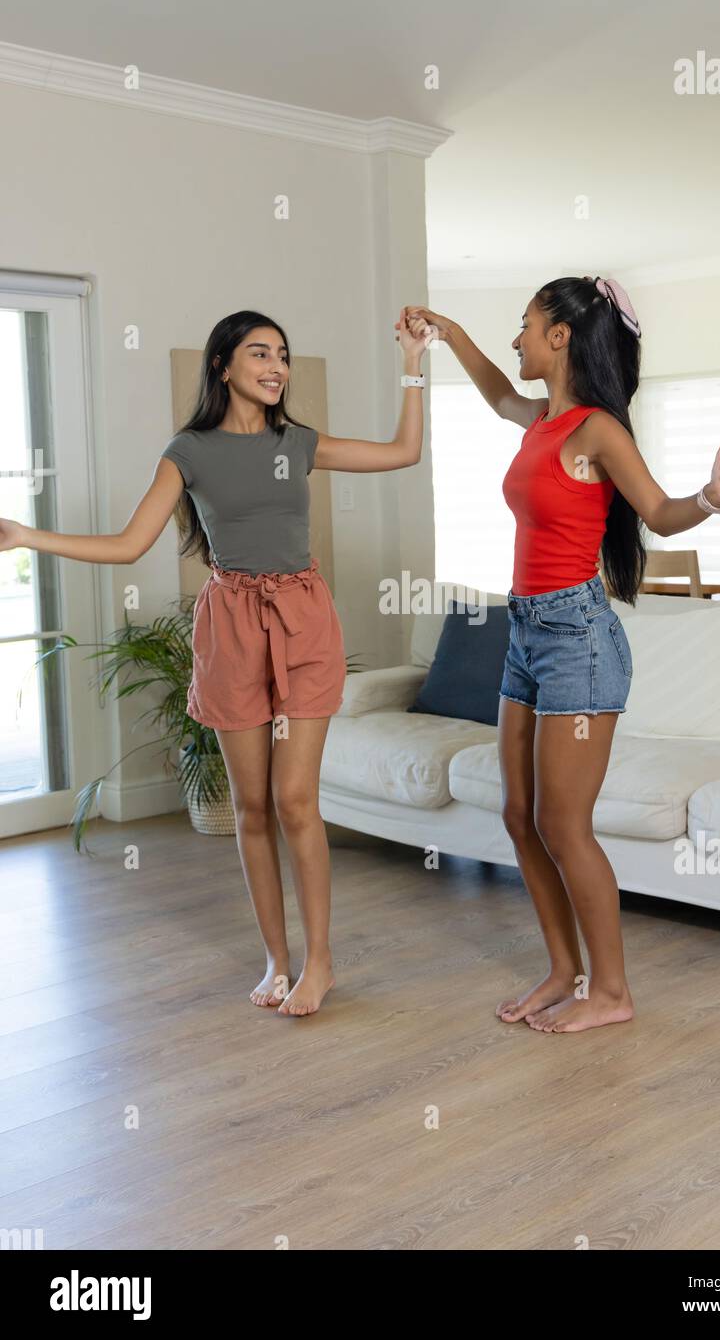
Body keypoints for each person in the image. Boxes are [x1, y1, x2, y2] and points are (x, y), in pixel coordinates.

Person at [0, 308, 430, 1017]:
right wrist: (24, 536)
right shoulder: (188, 451)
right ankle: (275, 958)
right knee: (252, 807)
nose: (276, 366)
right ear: (223, 366)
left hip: (301, 621)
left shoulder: (298, 441)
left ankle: (319, 962)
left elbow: (402, 452)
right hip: (231, 626)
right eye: (259, 352)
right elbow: (128, 543)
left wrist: (414, 362)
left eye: (283, 355)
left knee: (296, 801)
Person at [402, 278, 720, 1033]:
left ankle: (611, 991)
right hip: (524, 634)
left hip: (578, 642)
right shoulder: (540, 420)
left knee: (565, 826)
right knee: (518, 813)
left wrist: (715, 494)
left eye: (525, 326)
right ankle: (564, 971)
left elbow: (659, 512)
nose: (517, 339)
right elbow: (497, 390)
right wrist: (447, 332)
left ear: (560, 335)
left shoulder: (597, 430)